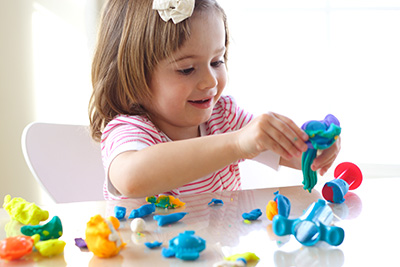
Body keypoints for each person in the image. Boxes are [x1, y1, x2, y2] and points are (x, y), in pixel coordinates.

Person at [89, 0, 340, 200]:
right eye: (187, 69)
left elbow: (294, 156)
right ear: (132, 73)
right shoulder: (129, 131)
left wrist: (317, 147)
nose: (210, 82)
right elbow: (133, 178)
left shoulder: (224, 117)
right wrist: (236, 144)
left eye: (216, 61)